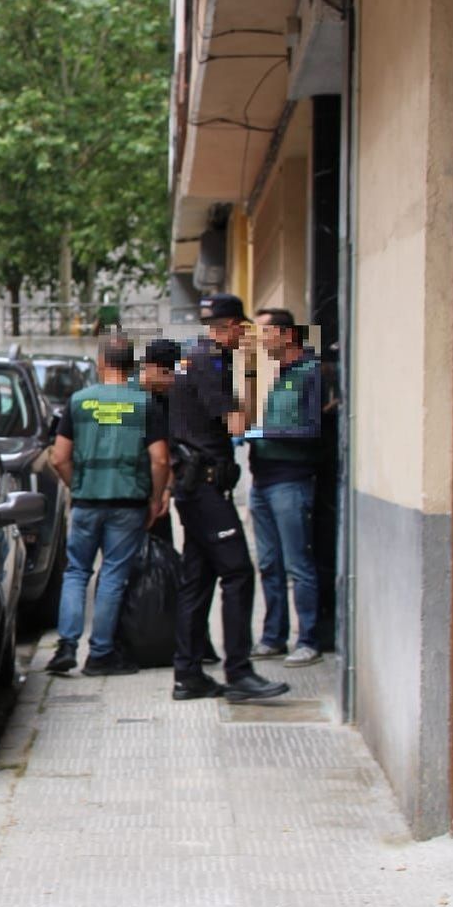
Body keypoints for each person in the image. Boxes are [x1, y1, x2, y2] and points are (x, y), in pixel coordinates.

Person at [169, 294, 289, 703]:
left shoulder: (198, 357)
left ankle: (188, 675)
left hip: (197, 486)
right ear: (234, 326)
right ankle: (238, 672)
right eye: (246, 330)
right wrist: (255, 373)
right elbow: (239, 422)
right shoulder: (210, 362)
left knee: (197, 581)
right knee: (238, 572)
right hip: (202, 487)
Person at [46, 332, 169, 676]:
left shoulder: (78, 401)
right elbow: (160, 460)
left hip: (87, 500)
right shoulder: (145, 404)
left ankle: (65, 648)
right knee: (113, 575)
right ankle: (100, 654)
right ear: (131, 365)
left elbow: (59, 458)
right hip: (128, 503)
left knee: (76, 573)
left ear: (101, 363)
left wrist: (80, 485)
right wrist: (156, 499)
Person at [247, 308, 324, 667]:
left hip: (291, 482)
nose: (259, 340)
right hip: (261, 483)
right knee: (268, 564)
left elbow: (312, 429)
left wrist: (263, 432)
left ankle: (308, 639)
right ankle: (273, 637)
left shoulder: (311, 372)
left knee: (298, 565)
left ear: (287, 335)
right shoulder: (274, 374)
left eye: (264, 332)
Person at [138, 337, 219, 666]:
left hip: (166, 494)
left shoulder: (173, 401)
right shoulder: (153, 398)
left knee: (175, 570)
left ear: (163, 369)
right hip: (156, 494)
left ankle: (189, 642)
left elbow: (169, 455)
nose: (143, 374)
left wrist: (164, 494)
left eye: (148, 368)